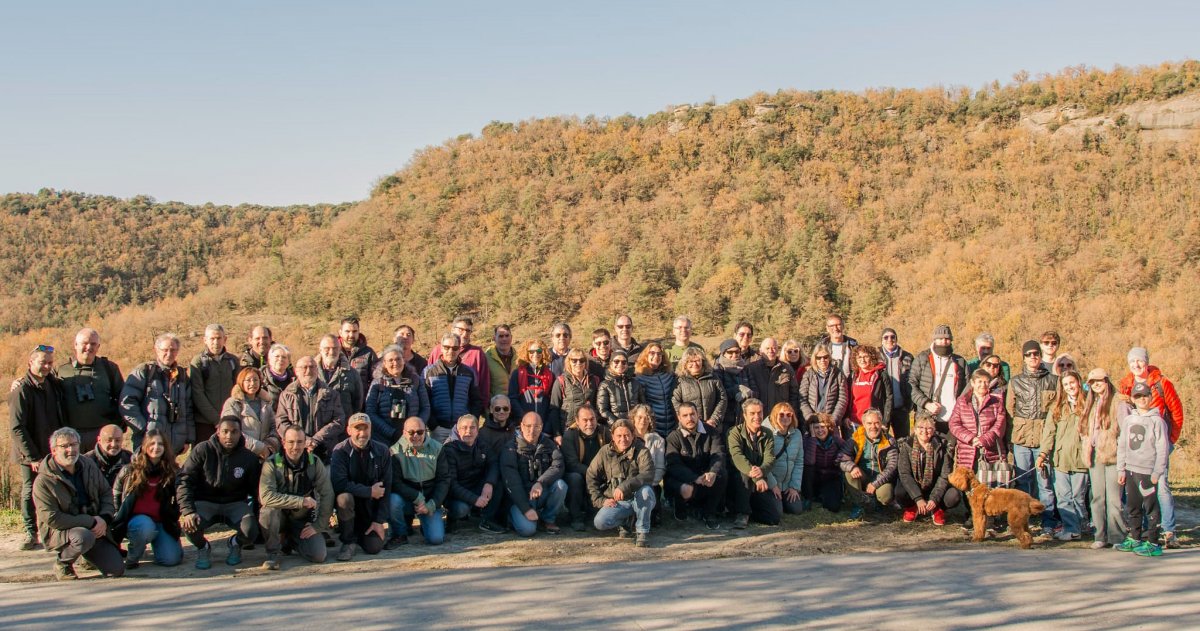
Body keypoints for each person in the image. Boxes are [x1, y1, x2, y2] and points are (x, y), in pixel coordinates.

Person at [33, 427, 124, 580]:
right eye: (65, 446)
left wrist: (104, 518)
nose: (71, 449)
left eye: (74, 445)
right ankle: (63, 563)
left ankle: (85, 555)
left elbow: (106, 493)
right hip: (62, 531)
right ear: (54, 450)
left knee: (116, 570)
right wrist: (91, 521)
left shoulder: (88, 465)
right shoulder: (43, 481)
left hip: (95, 527)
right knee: (83, 537)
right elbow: (53, 519)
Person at [1117, 346, 1184, 549]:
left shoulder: (1161, 383)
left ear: (1146, 362)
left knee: (1160, 487)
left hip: (1158, 445)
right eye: (1132, 362)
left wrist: (1170, 440)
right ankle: (1142, 533)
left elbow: (1176, 413)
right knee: (1137, 491)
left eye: (1140, 361)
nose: (1136, 365)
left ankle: (1168, 531)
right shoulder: (1126, 385)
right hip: (1136, 449)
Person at [177, 415, 261, 569]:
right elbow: (184, 480)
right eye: (225, 431)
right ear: (218, 432)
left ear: (240, 434)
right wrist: (187, 510)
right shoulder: (202, 450)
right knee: (190, 525)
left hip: (235, 503)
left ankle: (235, 543)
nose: (229, 436)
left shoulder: (249, 458)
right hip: (205, 502)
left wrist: (260, 513)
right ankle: (203, 547)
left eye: (234, 432)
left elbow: (256, 489)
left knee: (251, 530)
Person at [10, 344, 67, 550]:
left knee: (53, 492)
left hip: (52, 451)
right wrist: (32, 456)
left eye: (50, 363)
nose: (46, 366)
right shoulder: (22, 390)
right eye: (43, 362)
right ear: (31, 362)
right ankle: (30, 532)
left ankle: (50, 530)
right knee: (29, 491)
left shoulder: (53, 385)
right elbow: (17, 428)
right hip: (30, 453)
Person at [258, 425, 334, 569]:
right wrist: (301, 501)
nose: (295, 446)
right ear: (283, 442)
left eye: (300, 442)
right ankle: (273, 553)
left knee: (319, 555)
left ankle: (291, 541)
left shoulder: (314, 462)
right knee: (267, 512)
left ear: (305, 443)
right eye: (291, 442)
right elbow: (266, 497)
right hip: (278, 517)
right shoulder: (272, 463)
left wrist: (319, 525)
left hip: (301, 520)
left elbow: (327, 494)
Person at [1006, 339, 1060, 533]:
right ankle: (1023, 522)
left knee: (1045, 481)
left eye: (1036, 354)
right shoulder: (1015, 381)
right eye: (1028, 354)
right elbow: (1010, 408)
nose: (1033, 357)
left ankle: (1049, 521)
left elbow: (1056, 410)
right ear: (1024, 357)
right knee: (1022, 482)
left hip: (1043, 438)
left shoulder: (1053, 381)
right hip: (1021, 438)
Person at [112, 428, 182, 568]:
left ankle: (157, 543)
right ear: (145, 446)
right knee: (145, 526)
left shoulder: (171, 471)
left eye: (160, 444)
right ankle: (133, 557)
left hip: (162, 520)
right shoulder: (130, 470)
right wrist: (116, 516)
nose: (156, 447)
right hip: (136, 521)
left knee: (171, 560)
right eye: (152, 444)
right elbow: (116, 495)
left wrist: (175, 514)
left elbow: (181, 495)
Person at [948, 369, 1008, 529]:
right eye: (979, 381)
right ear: (973, 383)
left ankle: (992, 518)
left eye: (986, 382)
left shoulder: (996, 402)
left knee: (989, 485)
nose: (983, 385)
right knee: (970, 486)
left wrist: (984, 439)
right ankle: (973, 516)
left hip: (989, 450)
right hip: (968, 450)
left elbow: (999, 426)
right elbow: (954, 424)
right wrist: (969, 438)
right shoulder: (962, 401)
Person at [1115, 383, 1170, 557]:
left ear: (1151, 397)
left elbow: (1163, 448)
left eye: (1145, 395)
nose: (1142, 399)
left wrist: (1157, 472)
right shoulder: (1129, 420)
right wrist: (1121, 469)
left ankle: (1153, 542)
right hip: (1131, 469)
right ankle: (1135, 537)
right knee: (1133, 506)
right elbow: (1122, 445)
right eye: (1138, 396)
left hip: (1148, 471)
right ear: (1132, 399)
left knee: (1151, 507)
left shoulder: (1157, 421)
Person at [330, 413, 392, 561]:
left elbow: (387, 488)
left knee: (374, 548)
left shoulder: (382, 451)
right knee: (344, 498)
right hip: (349, 508)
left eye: (366, 428)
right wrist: (369, 491)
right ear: (349, 430)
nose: (362, 433)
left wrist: (379, 521)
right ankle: (348, 541)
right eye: (357, 428)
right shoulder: (340, 451)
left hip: (370, 511)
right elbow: (339, 484)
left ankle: (365, 533)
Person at [1036, 370, 1089, 541]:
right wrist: (1043, 453)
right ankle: (1070, 528)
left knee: (1078, 497)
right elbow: (1049, 432)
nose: (1070, 387)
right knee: (1063, 497)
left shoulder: (1089, 403)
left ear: (1078, 382)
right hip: (1060, 459)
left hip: (1081, 458)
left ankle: (1080, 525)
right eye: (1066, 384)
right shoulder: (1058, 407)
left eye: (1072, 383)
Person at [587, 419, 657, 547]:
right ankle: (625, 522)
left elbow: (648, 474)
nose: (623, 439)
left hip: (639, 498)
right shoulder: (604, 452)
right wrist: (601, 500)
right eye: (619, 436)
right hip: (618, 502)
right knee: (600, 522)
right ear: (612, 436)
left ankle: (642, 531)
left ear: (633, 435)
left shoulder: (642, 451)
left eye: (626, 435)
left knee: (646, 491)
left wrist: (624, 486)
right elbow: (591, 476)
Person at [121, 332, 193, 453]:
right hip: (147, 443)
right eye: (165, 350)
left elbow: (189, 408)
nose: (169, 354)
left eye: (173, 350)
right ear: (156, 350)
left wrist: (187, 439)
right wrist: (145, 430)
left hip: (173, 445)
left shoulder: (182, 376)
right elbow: (127, 403)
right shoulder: (145, 371)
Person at [501, 412, 568, 537]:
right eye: (528, 426)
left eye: (536, 427)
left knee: (561, 485)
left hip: (540, 493)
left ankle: (548, 519)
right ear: (521, 426)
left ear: (541, 427)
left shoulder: (549, 444)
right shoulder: (511, 447)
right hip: (520, 498)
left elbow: (558, 466)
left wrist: (540, 482)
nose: (532, 431)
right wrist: (526, 509)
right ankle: (513, 517)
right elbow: (512, 482)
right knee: (528, 530)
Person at [387, 417, 449, 548]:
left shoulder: (438, 448)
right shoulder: (394, 451)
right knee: (392, 500)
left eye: (420, 432)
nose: (416, 436)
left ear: (425, 432)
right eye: (411, 432)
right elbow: (395, 483)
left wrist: (431, 505)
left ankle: (427, 523)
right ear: (404, 433)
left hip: (429, 499)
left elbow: (443, 480)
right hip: (408, 498)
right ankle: (400, 534)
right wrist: (417, 497)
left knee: (436, 539)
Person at [58, 328, 123, 452]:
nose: (89, 347)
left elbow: (123, 399)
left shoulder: (109, 368)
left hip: (103, 435)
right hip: (71, 436)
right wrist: (20, 381)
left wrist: (117, 427)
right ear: (75, 345)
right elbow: (42, 386)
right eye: (85, 343)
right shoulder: (61, 370)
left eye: (93, 344)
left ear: (98, 346)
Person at [1082, 368, 1126, 549]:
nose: (1096, 384)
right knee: (1097, 497)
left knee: (1114, 499)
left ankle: (1117, 537)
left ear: (1107, 380)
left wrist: (1124, 460)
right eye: (1092, 382)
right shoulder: (1091, 403)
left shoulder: (1119, 402)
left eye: (1099, 380)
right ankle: (1100, 535)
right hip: (1095, 457)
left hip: (1114, 456)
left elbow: (1125, 431)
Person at [664, 402, 726, 529]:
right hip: (685, 479)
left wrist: (713, 472)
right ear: (679, 417)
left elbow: (718, 454)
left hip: (705, 477)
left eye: (692, 414)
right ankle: (680, 508)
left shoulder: (712, 432)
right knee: (677, 482)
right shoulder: (673, 437)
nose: (689, 418)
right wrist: (693, 478)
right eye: (685, 415)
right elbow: (673, 465)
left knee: (722, 474)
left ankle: (709, 514)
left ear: (698, 415)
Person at [275, 355, 347, 462]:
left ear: (317, 370)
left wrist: (316, 440)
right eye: (304, 367)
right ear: (296, 371)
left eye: (312, 367)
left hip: (325, 452)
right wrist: (303, 440)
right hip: (295, 452)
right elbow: (281, 422)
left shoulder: (332, 394)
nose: (308, 371)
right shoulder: (286, 395)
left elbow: (339, 421)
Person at [895, 413, 962, 525]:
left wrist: (934, 498)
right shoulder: (906, 445)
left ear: (934, 430)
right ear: (915, 430)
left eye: (929, 428)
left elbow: (945, 475)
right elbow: (904, 473)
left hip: (935, 486)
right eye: (920, 427)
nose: (924, 431)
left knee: (953, 496)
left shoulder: (942, 445)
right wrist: (918, 498)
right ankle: (912, 507)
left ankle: (937, 509)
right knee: (899, 492)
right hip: (915, 487)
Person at [443, 414, 505, 534]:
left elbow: (494, 463)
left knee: (498, 482)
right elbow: (451, 484)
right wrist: (474, 499)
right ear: (457, 430)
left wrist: (489, 483)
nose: (468, 431)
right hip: (456, 493)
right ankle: (451, 519)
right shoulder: (449, 449)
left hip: (476, 486)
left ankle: (487, 520)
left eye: (472, 428)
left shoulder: (482, 444)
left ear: (477, 430)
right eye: (464, 428)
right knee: (462, 509)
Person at [727, 399, 780, 528]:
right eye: (752, 413)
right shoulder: (734, 432)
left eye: (759, 413)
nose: (757, 417)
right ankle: (742, 514)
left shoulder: (767, 433)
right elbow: (737, 457)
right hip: (739, 481)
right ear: (744, 415)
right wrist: (757, 477)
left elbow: (770, 458)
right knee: (744, 475)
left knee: (773, 518)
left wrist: (761, 471)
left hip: (759, 479)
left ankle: (746, 510)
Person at [424, 333, 485, 444]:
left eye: (455, 348)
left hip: (462, 430)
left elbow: (476, 400)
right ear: (441, 348)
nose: (450, 351)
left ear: (459, 349)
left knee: (462, 460)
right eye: (447, 347)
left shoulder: (469, 372)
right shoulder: (429, 372)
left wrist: (471, 423)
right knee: (439, 460)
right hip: (438, 429)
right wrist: (433, 425)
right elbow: (424, 401)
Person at [907, 325, 967, 436]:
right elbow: (910, 386)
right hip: (927, 419)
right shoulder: (922, 359)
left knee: (949, 453)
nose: (943, 341)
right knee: (927, 452)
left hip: (954, 420)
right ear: (934, 339)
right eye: (940, 338)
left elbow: (966, 390)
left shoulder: (960, 362)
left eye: (947, 338)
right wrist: (926, 403)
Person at [365, 344, 431, 445]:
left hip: (413, 438)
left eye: (398, 359)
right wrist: (391, 432)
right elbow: (370, 412)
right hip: (383, 439)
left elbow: (425, 407)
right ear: (384, 363)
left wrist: (416, 429)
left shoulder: (415, 380)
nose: (395, 363)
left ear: (404, 360)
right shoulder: (377, 383)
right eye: (391, 360)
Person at [561, 405, 611, 531]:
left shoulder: (605, 433)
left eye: (592, 419)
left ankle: (594, 513)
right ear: (577, 421)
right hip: (579, 474)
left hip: (600, 474)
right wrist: (592, 473)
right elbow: (572, 464)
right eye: (585, 420)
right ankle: (575, 517)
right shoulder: (569, 436)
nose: (589, 423)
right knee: (574, 478)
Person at [190, 324, 241, 443]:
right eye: (212, 339)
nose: (216, 342)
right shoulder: (198, 362)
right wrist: (216, 419)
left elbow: (237, 390)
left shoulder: (233, 361)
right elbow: (197, 393)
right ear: (205, 340)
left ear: (225, 339)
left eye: (219, 338)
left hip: (229, 421)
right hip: (204, 423)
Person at [845, 409, 897, 518]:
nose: (873, 426)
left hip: (881, 478)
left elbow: (892, 467)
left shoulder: (889, 441)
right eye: (869, 423)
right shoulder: (856, 438)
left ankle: (876, 504)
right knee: (848, 473)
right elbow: (842, 457)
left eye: (876, 423)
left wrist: (875, 483)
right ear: (864, 424)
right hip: (862, 475)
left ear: (881, 423)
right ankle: (859, 504)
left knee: (885, 496)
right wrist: (852, 467)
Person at [427, 316, 491, 403]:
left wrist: (481, 407)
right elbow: (427, 378)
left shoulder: (477, 353)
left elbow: (484, 383)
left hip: (467, 408)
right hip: (438, 406)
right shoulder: (437, 350)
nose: (464, 334)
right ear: (452, 330)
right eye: (461, 329)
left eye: (468, 331)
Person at [221, 367, 279, 459]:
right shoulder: (233, 403)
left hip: (265, 456)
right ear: (241, 382)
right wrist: (259, 447)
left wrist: (269, 445)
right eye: (248, 380)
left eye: (256, 380)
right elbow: (231, 430)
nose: (252, 383)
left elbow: (275, 426)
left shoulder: (266, 403)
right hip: (240, 454)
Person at [802, 414, 854, 512]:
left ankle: (825, 495)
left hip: (830, 476)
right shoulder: (807, 439)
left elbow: (847, 451)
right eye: (816, 428)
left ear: (828, 427)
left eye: (823, 427)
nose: (820, 430)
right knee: (808, 467)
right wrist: (813, 437)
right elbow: (809, 461)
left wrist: (840, 456)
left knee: (833, 507)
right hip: (813, 476)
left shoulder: (835, 439)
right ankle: (808, 498)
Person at [671, 346, 727, 435]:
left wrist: (714, 420)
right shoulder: (680, 381)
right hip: (689, 429)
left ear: (703, 362)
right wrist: (688, 420)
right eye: (690, 361)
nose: (695, 364)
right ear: (684, 364)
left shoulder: (713, 378)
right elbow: (675, 401)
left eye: (698, 360)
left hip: (712, 427)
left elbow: (722, 398)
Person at [745, 338, 800, 428]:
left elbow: (794, 395)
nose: (771, 351)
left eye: (774, 348)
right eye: (767, 348)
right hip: (759, 420)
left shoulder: (786, 369)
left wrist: (791, 415)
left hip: (781, 421)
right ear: (760, 351)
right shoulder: (751, 369)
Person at [549, 348, 600, 440]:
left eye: (582, 360)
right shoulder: (561, 381)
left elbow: (597, 405)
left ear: (585, 362)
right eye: (574, 360)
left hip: (590, 427)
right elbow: (554, 409)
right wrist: (557, 434)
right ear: (569, 362)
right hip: (569, 428)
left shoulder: (594, 380)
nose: (578, 363)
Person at [765, 402, 804, 515]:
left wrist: (794, 486)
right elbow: (764, 463)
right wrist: (773, 485)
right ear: (775, 416)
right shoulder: (768, 434)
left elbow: (799, 461)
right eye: (781, 415)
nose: (785, 418)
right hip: (772, 483)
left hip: (787, 484)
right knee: (777, 513)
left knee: (796, 510)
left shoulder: (797, 434)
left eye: (788, 414)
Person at [798, 343, 848, 430]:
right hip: (812, 422)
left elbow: (842, 399)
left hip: (831, 423)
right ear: (815, 359)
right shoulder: (808, 374)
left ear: (829, 357)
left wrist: (833, 419)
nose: (822, 360)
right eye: (819, 357)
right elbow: (802, 399)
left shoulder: (838, 374)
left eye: (825, 357)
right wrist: (810, 418)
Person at [847, 345, 892, 437]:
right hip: (854, 423)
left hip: (873, 424)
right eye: (859, 357)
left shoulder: (881, 375)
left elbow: (889, 399)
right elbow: (847, 398)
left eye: (866, 356)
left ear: (872, 357)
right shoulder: (853, 376)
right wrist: (846, 417)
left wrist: (885, 421)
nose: (862, 360)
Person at [316, 333, 365, 416]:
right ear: (320, 350)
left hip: (343, 425)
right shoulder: (311, 372)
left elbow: (358, 404)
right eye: (327, 348)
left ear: (339, 350)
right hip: (317, 426)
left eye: (335, 348)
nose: (331, 352)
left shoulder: (352, 374)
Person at [635, 342, 677, 437]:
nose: (656, 356)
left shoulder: (669, 375)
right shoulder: (639, 377)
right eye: (652, 353)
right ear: (646, 355)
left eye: (659, 354)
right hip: (653, 427)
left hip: (672, 424)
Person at [509, 338, 554, 423]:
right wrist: (523, 417)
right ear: (526, 353)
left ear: (543, 353)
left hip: (543, 423)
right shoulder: (518, 373)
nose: (535, 354)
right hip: (523, 423)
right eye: (531, 351)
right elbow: (512, 398)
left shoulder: (550, 375)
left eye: (539, 351)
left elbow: (552, 402)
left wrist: (547, 425)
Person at [879, 328, 914, 438]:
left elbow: (913, 381)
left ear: (896, 339)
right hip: (882, 409)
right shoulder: (875, 357)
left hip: (901, 407)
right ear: (881, 340)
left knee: (903, 442)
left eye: (892, 337)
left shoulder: (907, 357)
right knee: (881, 441)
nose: (889, 339)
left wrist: (910, 405)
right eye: (886, 337)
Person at [596, 350, 644, 425]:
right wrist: (618, 423)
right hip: (615, 428)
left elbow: (643, 405)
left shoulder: (635, 383)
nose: (620, 364)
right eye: (616, 361)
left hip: (635, 426)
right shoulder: (605, 385)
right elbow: (602, 410)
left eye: (624, 362)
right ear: (611, 363)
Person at [714, 340, 751, 430]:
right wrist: (737, 389)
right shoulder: (717, 370)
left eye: (737, 351)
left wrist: (749, 393)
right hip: (726, 418)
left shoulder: (745, 368)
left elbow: (755, 389)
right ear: (723, 353)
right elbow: (719, 393)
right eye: (730, 352)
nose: (734, 355)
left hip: (745, 417)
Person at [83, 424, 131, 488]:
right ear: (99, 440)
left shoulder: (130, 459)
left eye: (117, 440)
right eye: (109, 440)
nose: (113, 444)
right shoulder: (85, 462)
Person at [339, 316, 379, 389]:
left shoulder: (369, 353)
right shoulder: (332, 353)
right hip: (338, 399)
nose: (351, 335)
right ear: (340, 332)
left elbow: (377, 380)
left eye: (354, 331)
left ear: (359, 332)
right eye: (347, 331)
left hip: (361, 398)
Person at [484, 324, 518, 398]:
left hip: (516, 404)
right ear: (494, 338)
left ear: (511, 337)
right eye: (501, 336)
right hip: (496, 406)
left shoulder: (520, 358)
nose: (504, 339)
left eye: (507, 335)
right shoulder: (485, 359)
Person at [478, 395, 516, 460]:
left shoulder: (516, 431)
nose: (501, 412)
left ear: (510, 409)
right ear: (491, 410)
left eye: (505, 408)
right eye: (497, 409)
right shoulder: (482, 434)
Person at [260, 343, 295, 410]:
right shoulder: (260, 378)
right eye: (277, 356)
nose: (280, 359)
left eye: (284, 357)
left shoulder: (294, 380)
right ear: (269, 360)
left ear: (289, 361)